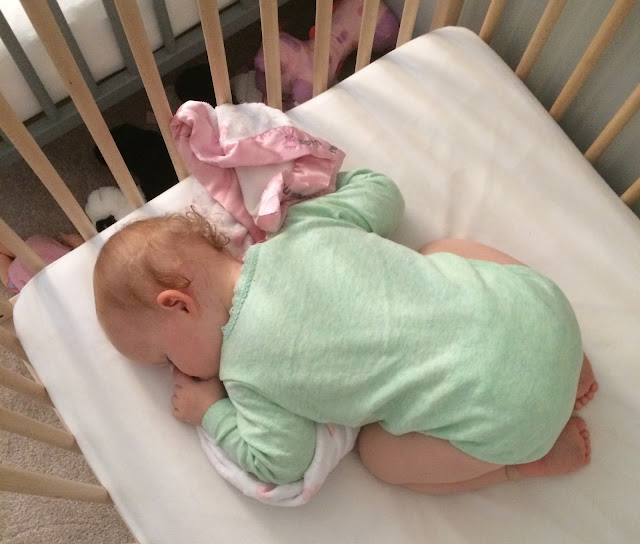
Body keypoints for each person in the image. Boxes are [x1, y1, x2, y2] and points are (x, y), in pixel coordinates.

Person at [93, 169, 597, 495]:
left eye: (167, 359)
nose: (177, 372)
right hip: (547, 314)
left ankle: (515, 465)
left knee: (379, 456)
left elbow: (281, 461)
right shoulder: (303, 228)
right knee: (440, 250)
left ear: (179, 304)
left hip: (515, 419)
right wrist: (308, 182)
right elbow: (384, 194)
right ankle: (571, 366)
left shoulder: (248, 376)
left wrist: (211, 412)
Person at [1, 232, 85, 293]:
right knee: (4, 267)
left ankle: (12, 248)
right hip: (20, 275)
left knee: (20, 250)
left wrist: (67, 238)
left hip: (38, 246)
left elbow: (84, 247)